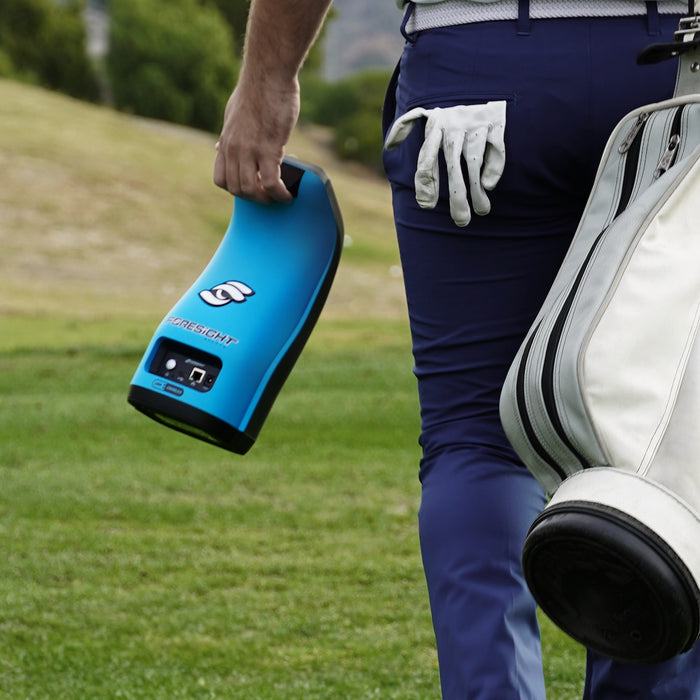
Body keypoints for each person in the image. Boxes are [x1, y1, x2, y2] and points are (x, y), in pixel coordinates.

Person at [214, 0, 700, 697]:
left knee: (474, 438)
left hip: (474, 69)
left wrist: (267, 79)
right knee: (666, 444)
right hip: (669, 64)